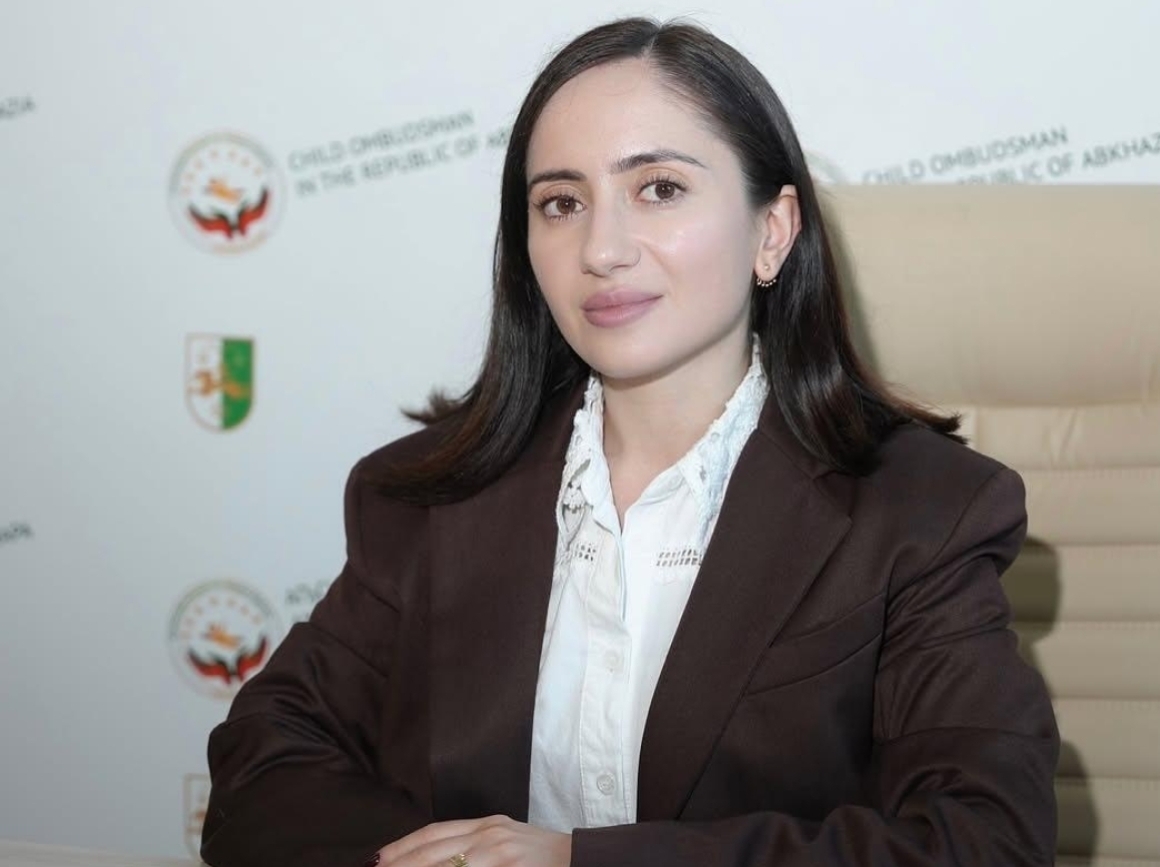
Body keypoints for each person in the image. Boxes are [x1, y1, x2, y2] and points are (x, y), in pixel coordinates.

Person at [200, 17, 1059, 867]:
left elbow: (984, 840)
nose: (602, 250)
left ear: (772, 230)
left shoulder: (923, 513)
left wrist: (576, 862)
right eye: (562, 203)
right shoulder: (426, 497)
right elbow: (261, 769)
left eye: (659, 189)